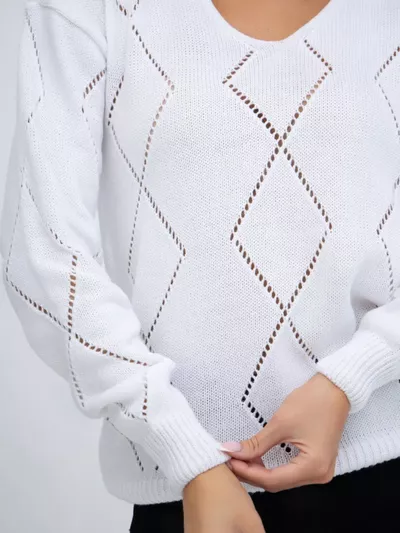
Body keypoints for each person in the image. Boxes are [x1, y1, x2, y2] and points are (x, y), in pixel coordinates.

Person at [1, 0, 400, 531]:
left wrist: (352, 376)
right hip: (190, 498)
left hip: (383, 468)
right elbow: (44, 253)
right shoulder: (87, 10)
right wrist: (184, 449)